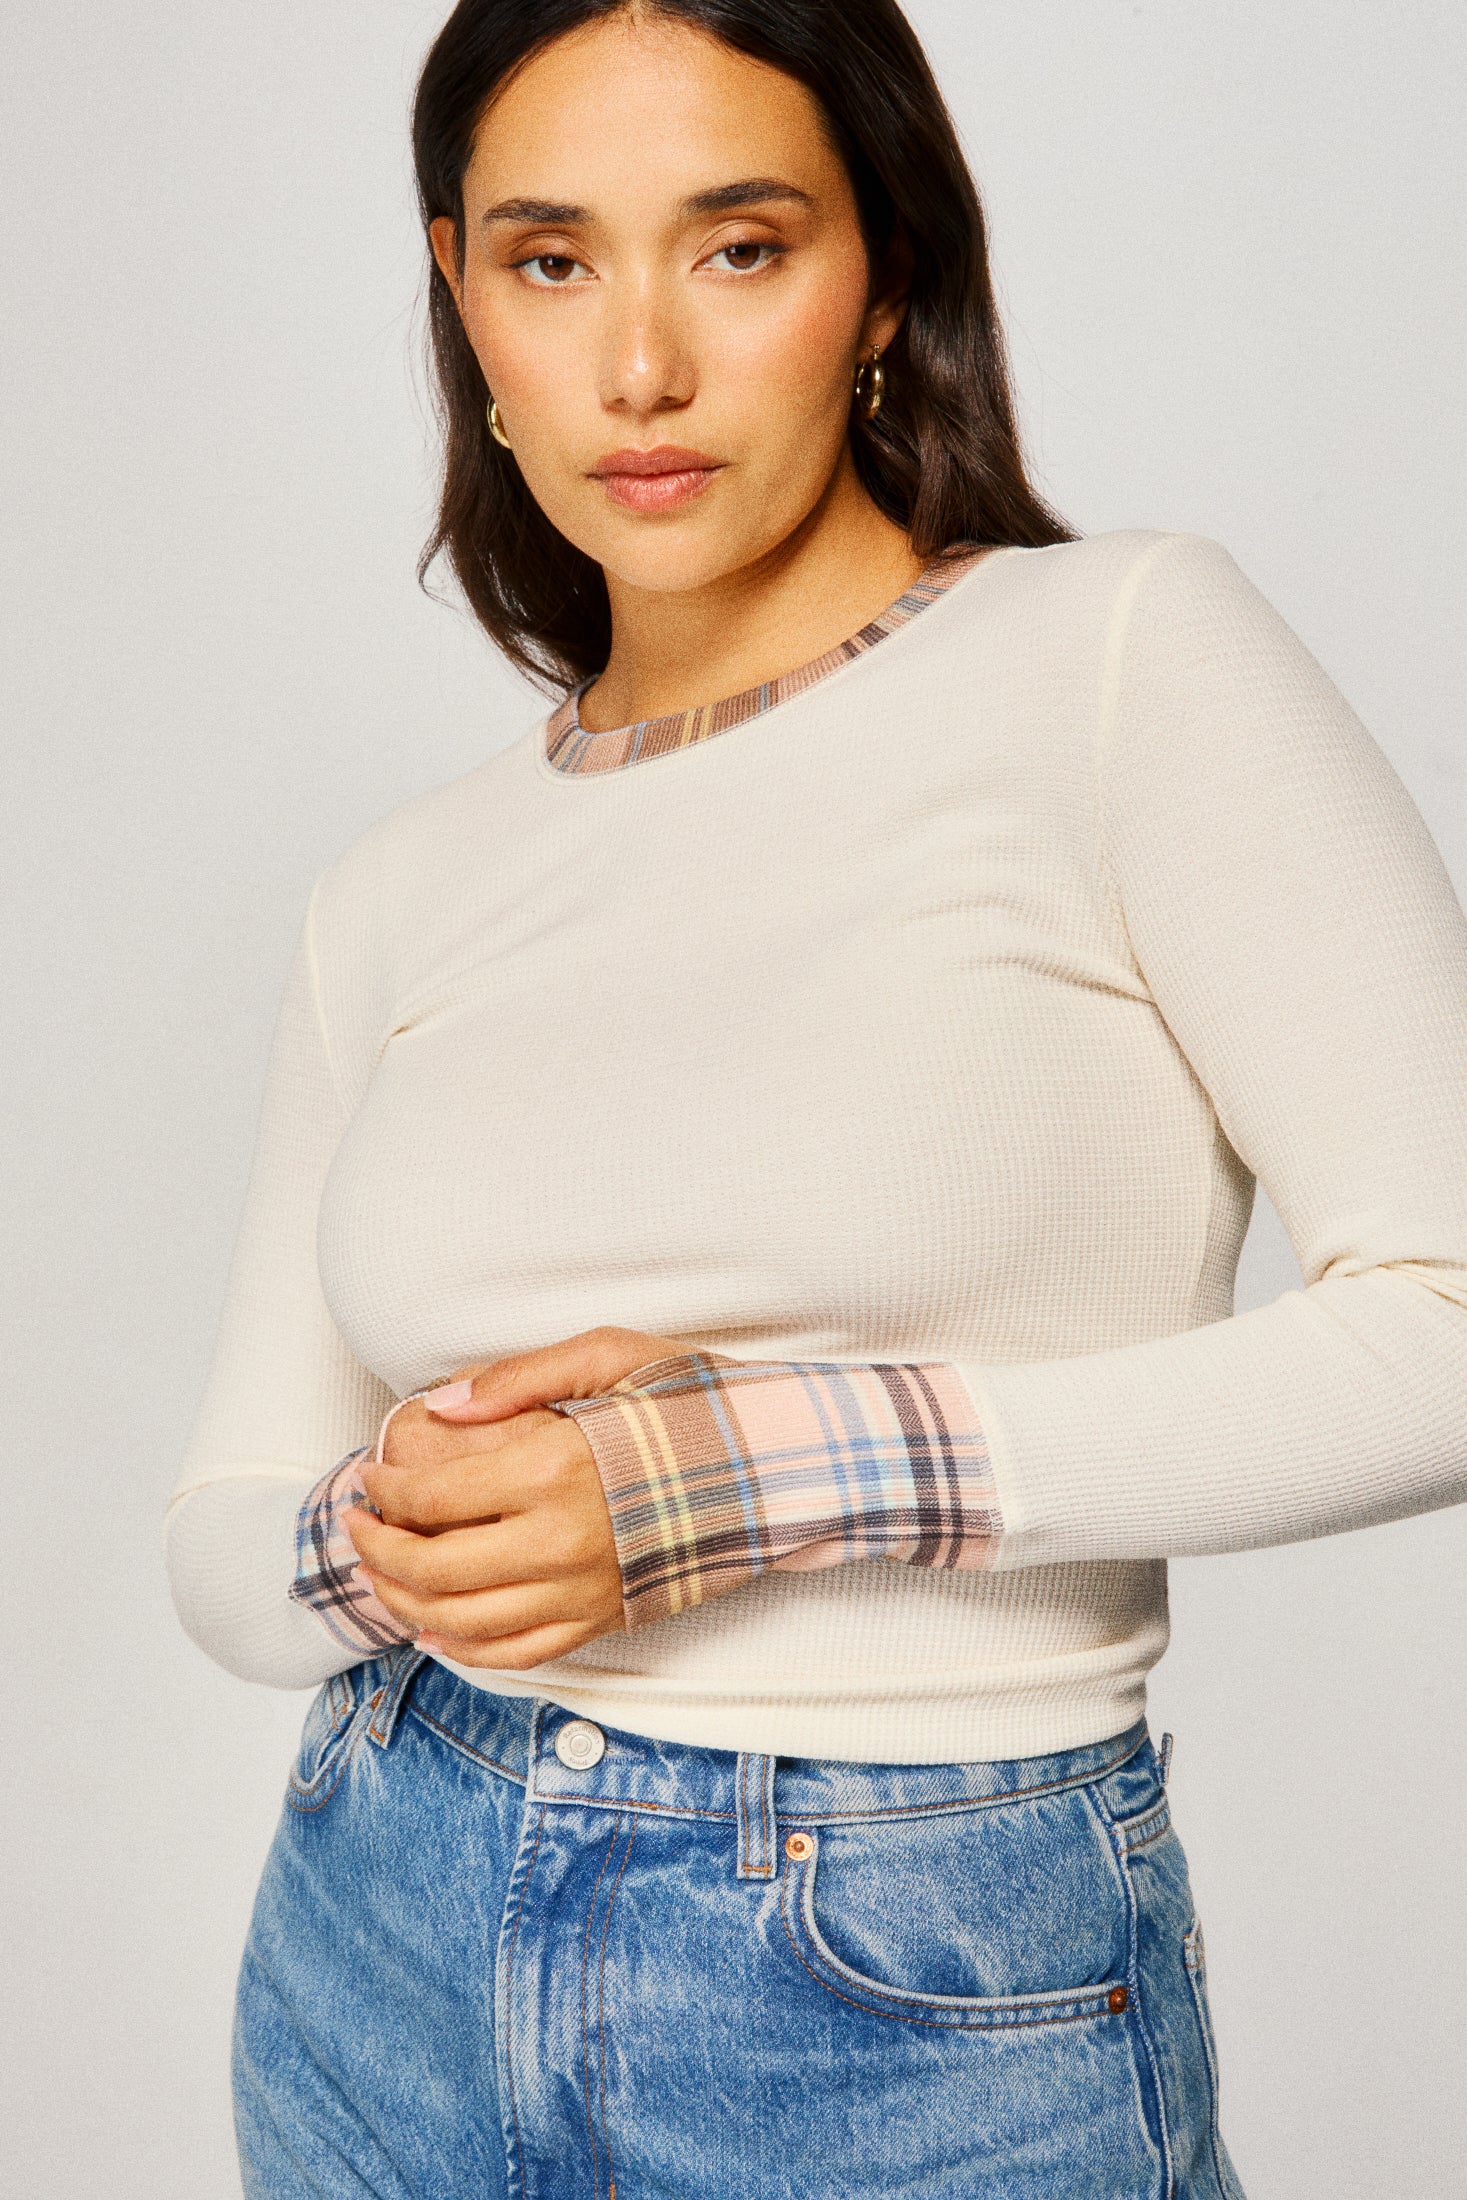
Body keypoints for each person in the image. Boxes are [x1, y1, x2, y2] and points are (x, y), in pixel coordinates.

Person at [165, 1, 1467, 2193]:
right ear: (462, 299)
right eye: (550, 259)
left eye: (740, 248)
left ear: (884, 279)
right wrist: (418, 1511)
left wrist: (738, 1478)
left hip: (899, 1970)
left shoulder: (1115, 659)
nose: (639, 366)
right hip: (377, 1925)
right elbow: (226, 1544)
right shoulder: (397, 888)